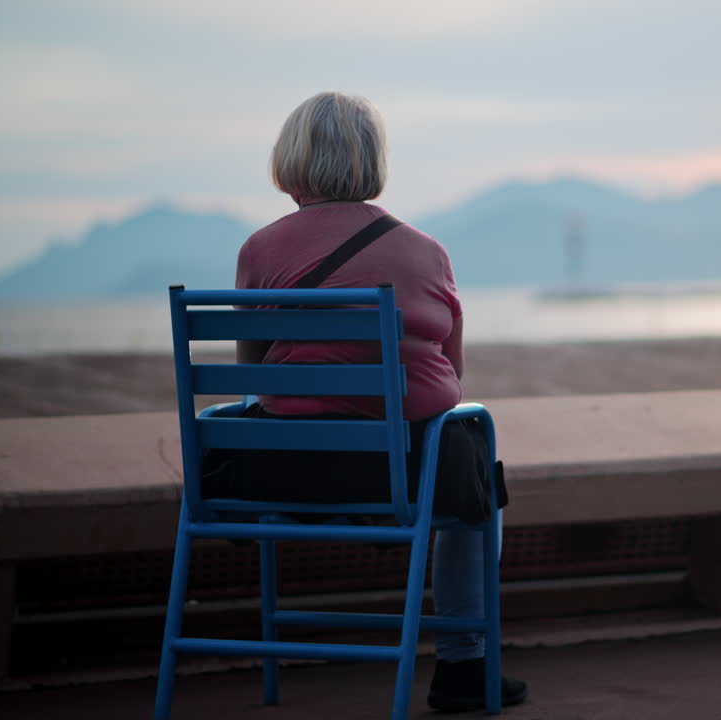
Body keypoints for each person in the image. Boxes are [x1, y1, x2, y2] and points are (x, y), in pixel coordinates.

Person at [216, 91, 527, 712]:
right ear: (371, 160)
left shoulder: (258, 251)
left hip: (284, 473)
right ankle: (463, 665)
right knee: (472, 458)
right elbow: (452, 381)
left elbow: (255, 375)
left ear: (291, 158)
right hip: (402, 473)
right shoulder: (427, 253)